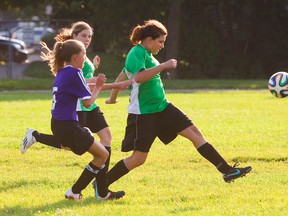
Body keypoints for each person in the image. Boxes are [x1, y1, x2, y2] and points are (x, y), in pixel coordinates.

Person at [99, 19, 252, 191]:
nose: (162, 46)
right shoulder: (136, 52)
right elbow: (137, 77)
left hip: (163, 107)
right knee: (138, 158)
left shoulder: (147, 55)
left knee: (195, 133)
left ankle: (227, 171)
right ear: (149, 39)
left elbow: (122, 75)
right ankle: (101, 183)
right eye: (160, 41)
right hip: (145, 112)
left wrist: (112, 98)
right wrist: (164, 66)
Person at [21, 21, 131, 178]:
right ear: (74, 36)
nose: (87, 39)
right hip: (80, 107)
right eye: (83, 35)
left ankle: (102, 183)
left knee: (105, 137)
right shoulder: (75, 59)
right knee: (75, 145)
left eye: (90, 36)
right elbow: (88, 86)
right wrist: (116, 85)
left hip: (89, 106)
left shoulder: (80, 58)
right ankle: (36, 136)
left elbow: (87, 81)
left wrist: (93, 66)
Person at [27, 39, 125, 200]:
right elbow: (87, 102)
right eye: (84, 54)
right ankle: (76, 191)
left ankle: (96, 192)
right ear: (75, 57)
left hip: (59, 123)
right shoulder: (75, 72)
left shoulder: (62, 71)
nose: (85, 57)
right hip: (68, 125)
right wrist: (99, 85)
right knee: (102, 155)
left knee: (93, 152)